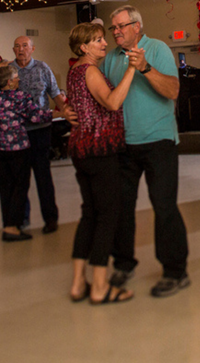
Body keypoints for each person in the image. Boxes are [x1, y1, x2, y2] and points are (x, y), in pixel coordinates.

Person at [102, 6, 189, 297]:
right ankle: (124, 264)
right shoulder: (111, 58)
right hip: (123, 145)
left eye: (121, 26)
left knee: (164, 207)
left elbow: (174, 90)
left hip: (158, 141)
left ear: (137, 26)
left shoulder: (157, 48)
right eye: (113, 28)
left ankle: (176, 271)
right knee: (121, 208)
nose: (115, 32)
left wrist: (145, 68)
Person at [67, 23, 135, 305]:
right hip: (99, 149)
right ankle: (99, 286)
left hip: (82, 149)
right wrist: (132, 69)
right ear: (84, 47)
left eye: (103, 39)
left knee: (90, 215)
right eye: (97, 40)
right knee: (108, 216)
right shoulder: (90, 70)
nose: (104, 44)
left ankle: (77, 283)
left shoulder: (74, 72)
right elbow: (112, 102)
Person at [0, 65, 53, 242]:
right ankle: (12, 227)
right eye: (15, 77)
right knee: (19, 187)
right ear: (9, 82)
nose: (18, 79)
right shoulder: (20, 97)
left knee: (5, 188)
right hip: (16, 148)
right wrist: (57, 114)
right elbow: (36, 116)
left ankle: (8, 223)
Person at [9, 35, 66, 234]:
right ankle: (21, 218)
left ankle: (50, 218)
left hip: (40, 131)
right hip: (16, 132)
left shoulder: (42, 68)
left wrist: (67, 113)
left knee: (43, 177)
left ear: (32, 48)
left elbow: (56, 94)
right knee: (19, 178)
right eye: (17, 46)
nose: (20, 49)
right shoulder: (7, 70)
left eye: (25, 46)